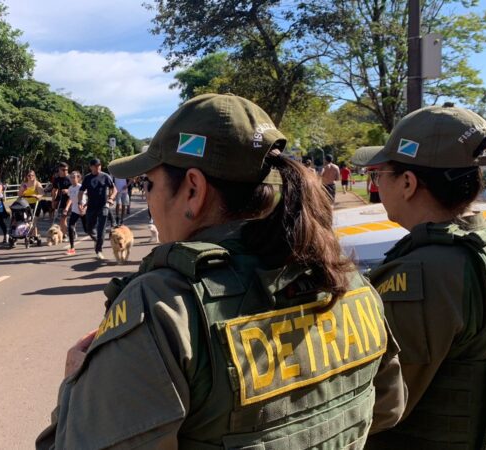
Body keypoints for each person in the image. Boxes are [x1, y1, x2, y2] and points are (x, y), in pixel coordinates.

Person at [37, 94, 405, 449]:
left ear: (193, 190)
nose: (148, 199)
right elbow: (388, 408)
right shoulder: (345, 277)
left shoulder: (164, 307)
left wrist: (75, 387)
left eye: (149, 184)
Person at [352, 105, 486, 449]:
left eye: (378, 174)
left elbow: (383, 405)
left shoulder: (425, 272)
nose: (375, 184)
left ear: (408, 183)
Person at [78, 158, 116, 261]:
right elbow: (81, 191)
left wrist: (111, 198)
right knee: (89, 228)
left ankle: (99, 250)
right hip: (91, 207)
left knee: (101, 229)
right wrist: (80, 202)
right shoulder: (87, 178)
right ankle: (97, 240)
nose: (98, 167)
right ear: (91, 167)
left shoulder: (105, 176)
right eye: (95, 166)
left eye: (99, 165)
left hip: (103, 206)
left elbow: (114, 189)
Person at [63, 171, 87, 255]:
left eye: (74, 177)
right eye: (71, 177)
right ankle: (72, 248)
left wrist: (85, 207)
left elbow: (88, 198)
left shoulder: (81, 187)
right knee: (70, 227)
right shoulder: (70, 188)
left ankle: (97, 241)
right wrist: (66, 208)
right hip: (74, 210)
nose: (72, 179)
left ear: (78, 178)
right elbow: (70, 199)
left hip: (83, 210)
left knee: (87, 230)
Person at [20, 169, 44, 241]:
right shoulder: (24, 184)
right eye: (29, 175)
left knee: (33, 220)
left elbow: (41, 193)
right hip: (26, 204)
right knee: (28, 220)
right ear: (26, 176)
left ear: (34, 176)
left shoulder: (37, 184)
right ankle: (34, 235)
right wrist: (23, 190)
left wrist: (37, 196)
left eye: (32, 175)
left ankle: (32, 236)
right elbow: (19, 194)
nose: (31, 177)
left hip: (35, 204)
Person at [50, 162, 72, 230]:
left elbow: (76, 189)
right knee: (62, 218)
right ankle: (64, 232)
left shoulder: (70, 178)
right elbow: (55, 190)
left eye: (66, 170)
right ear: (59, 169)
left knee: (64, 218)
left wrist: (68, 190)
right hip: (61, 200)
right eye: (63, 170)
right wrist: (53, 201)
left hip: (70, 200)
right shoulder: (57, 179)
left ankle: (67, 232)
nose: (65, 171)